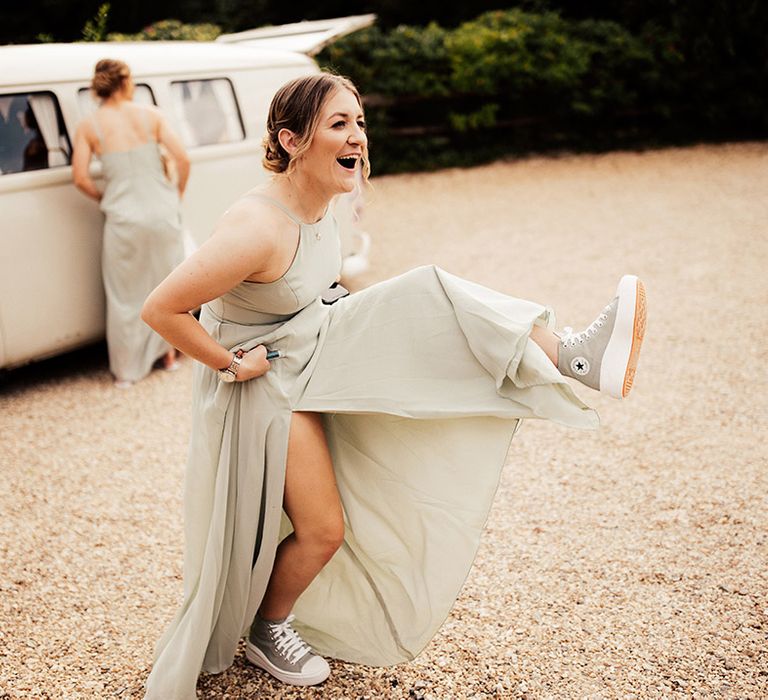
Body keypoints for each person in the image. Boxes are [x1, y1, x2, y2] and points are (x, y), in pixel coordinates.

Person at [140, 72, 646, 699]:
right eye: (338, 125)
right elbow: (161, 310)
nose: (357, 136)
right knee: (324, 528)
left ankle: (566, 357)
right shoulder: (256, 227)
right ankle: (268, 628)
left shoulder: (327, 199)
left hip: (313, 350)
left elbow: (311, 287)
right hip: (267, 385)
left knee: (428, 298)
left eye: (359, 121)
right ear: (292, 140)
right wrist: (230, 364)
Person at [72, 59, 191, 387]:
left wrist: (105, 199)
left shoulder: (89, 125)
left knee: (125, 293)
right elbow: (183, 158)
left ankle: (127, 371)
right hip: (162, 211)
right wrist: (174, 195)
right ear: (125, 82)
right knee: (167, 287)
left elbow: (80, 177)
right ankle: (168, 357)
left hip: (123, 217)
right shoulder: (151, 115)